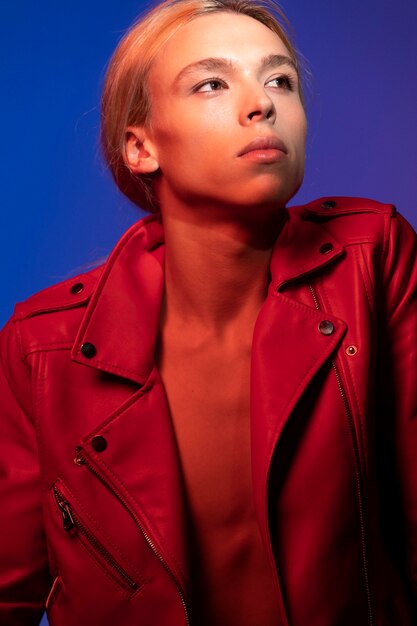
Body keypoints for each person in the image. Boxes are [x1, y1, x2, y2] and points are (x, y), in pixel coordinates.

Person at [0, 0, 416, 624]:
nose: (262, 104)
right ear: (141, 148)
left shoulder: (370, 257)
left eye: (280, 80)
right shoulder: (44, 348)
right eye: (212, 83)